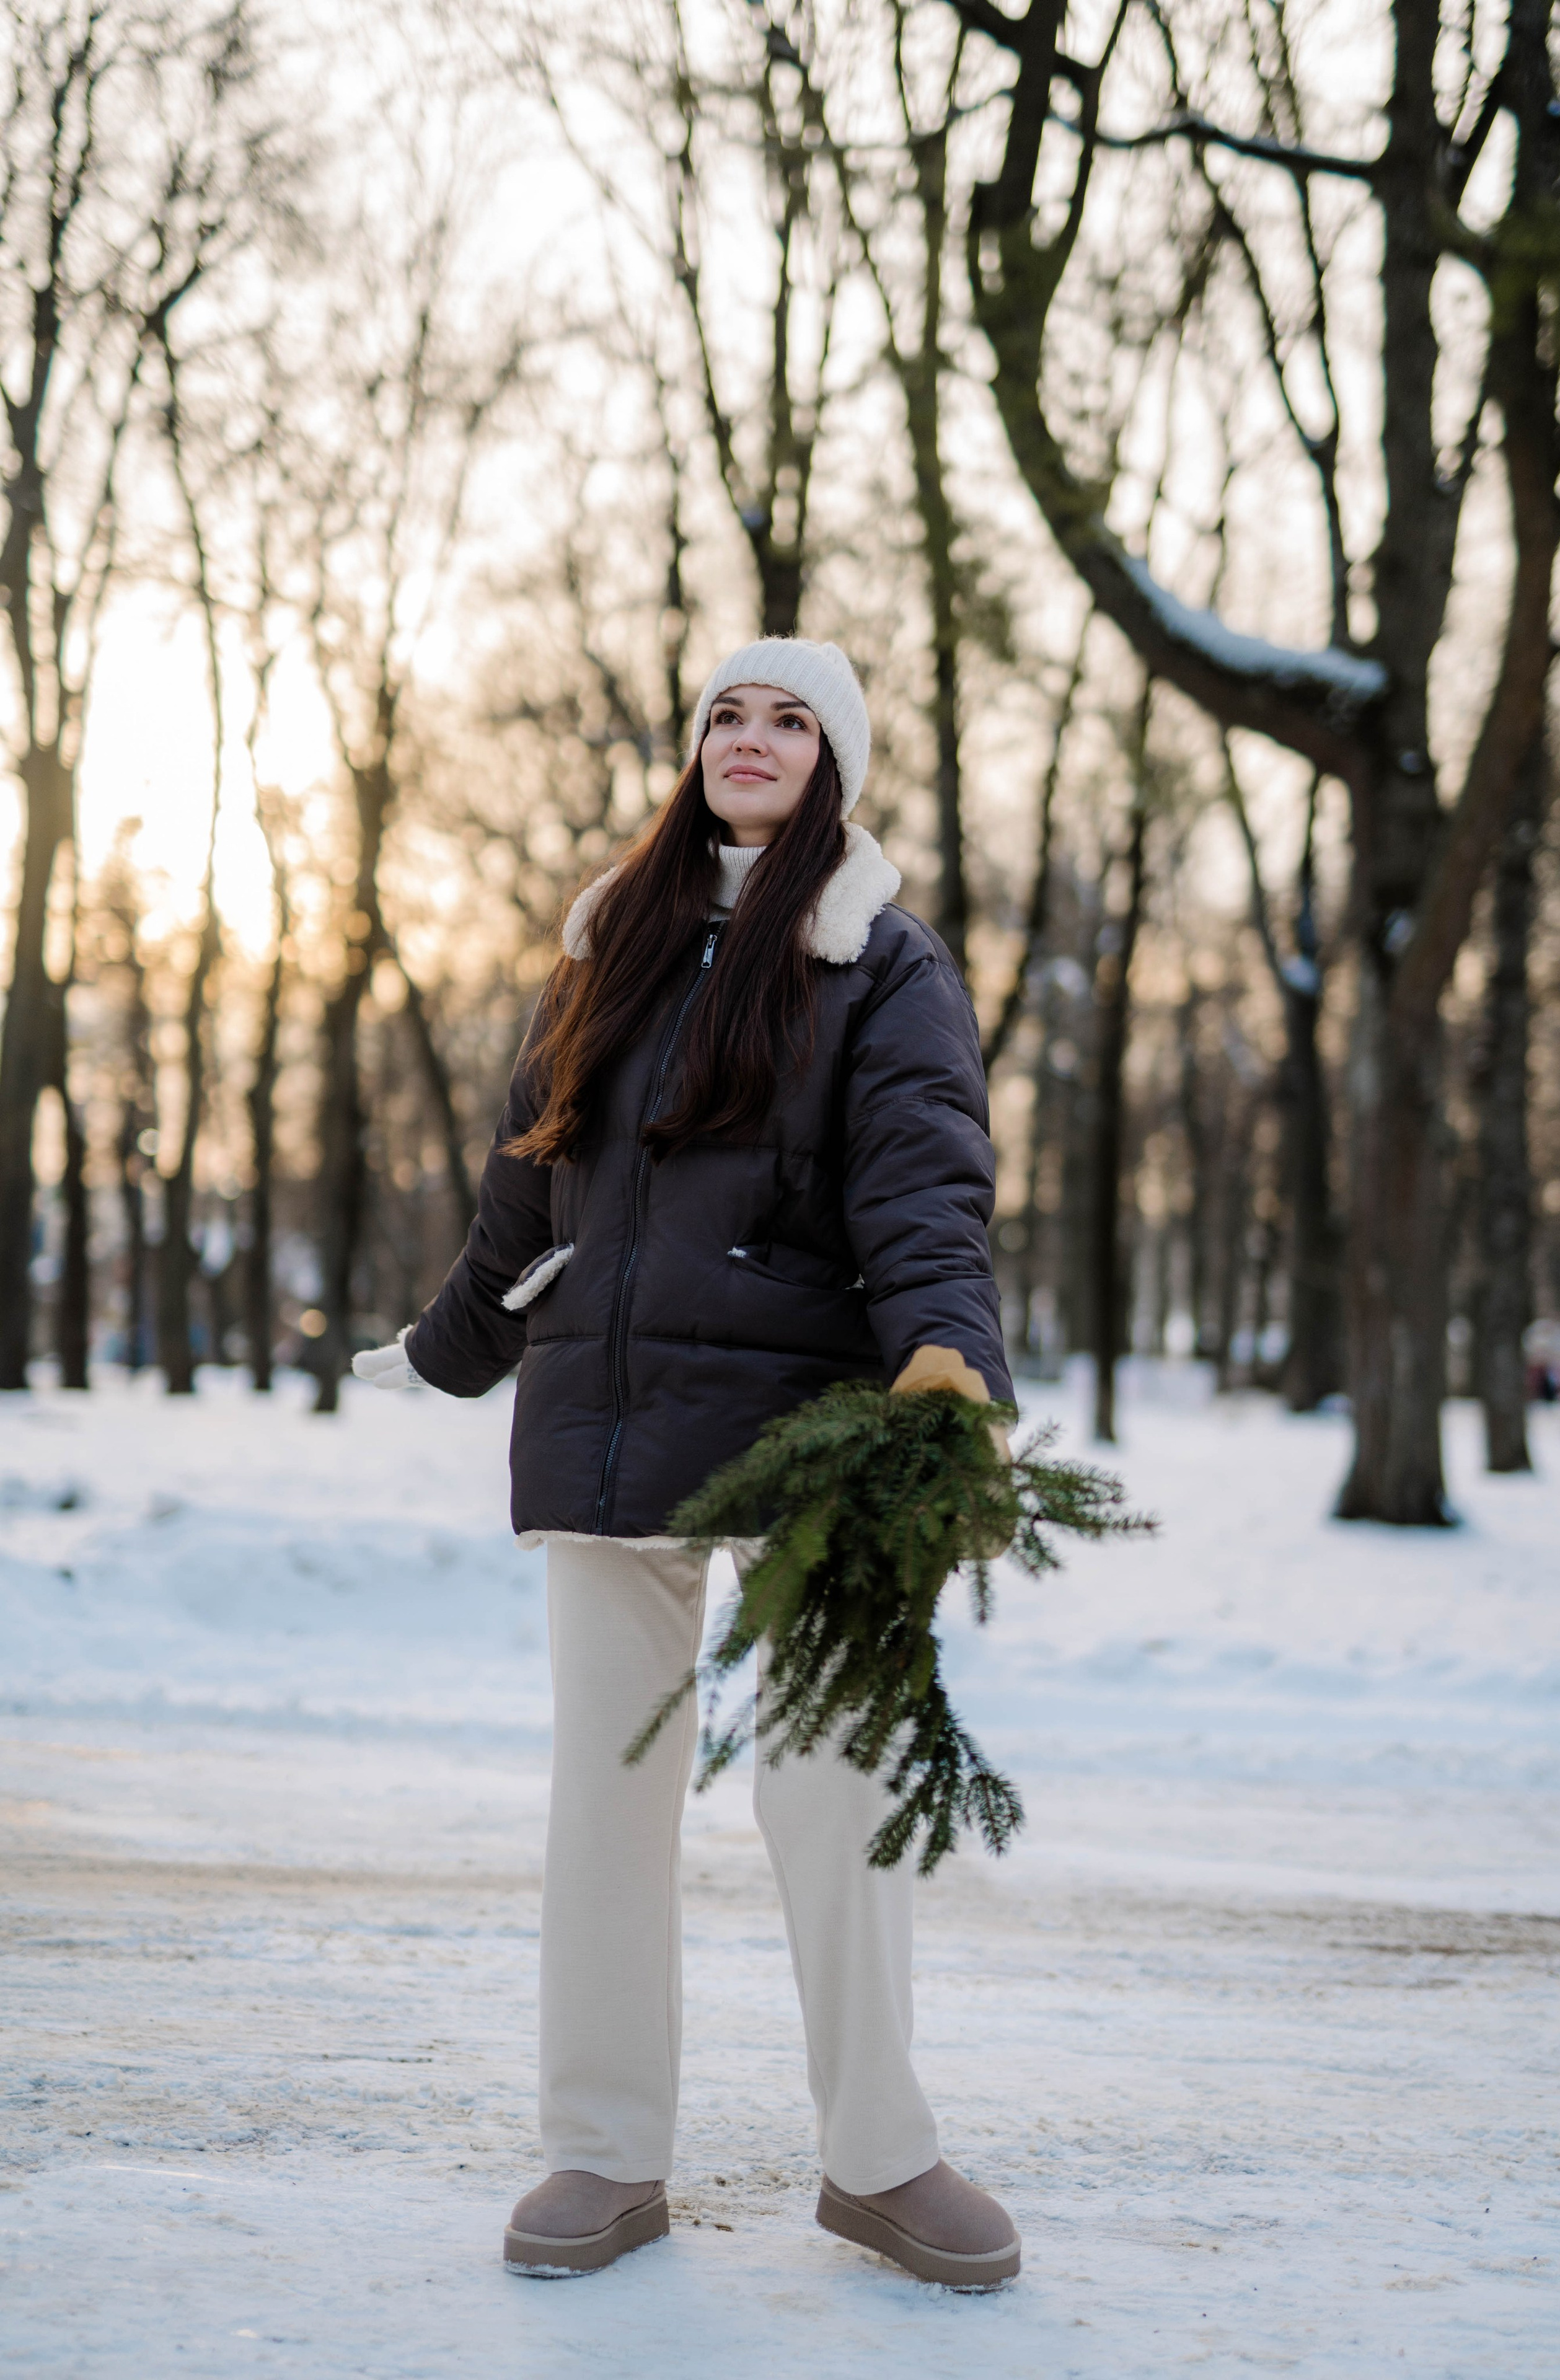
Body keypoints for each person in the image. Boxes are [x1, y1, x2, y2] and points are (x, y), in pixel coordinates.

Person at [356, 637, 1021, 2290]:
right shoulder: (611, 942)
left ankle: (878, 2158)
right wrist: (452, 1342)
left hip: (807, 1429)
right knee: (608, 1798)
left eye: (792, 718)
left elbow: (927, 1190)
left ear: (833, 765)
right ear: (696, 746)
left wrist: (949, 1363)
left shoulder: (882, 958)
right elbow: (533, 1185)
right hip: (611, 1413)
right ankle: (602, 2154)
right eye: (731, 711)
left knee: (833, 1788)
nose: (752, 735)